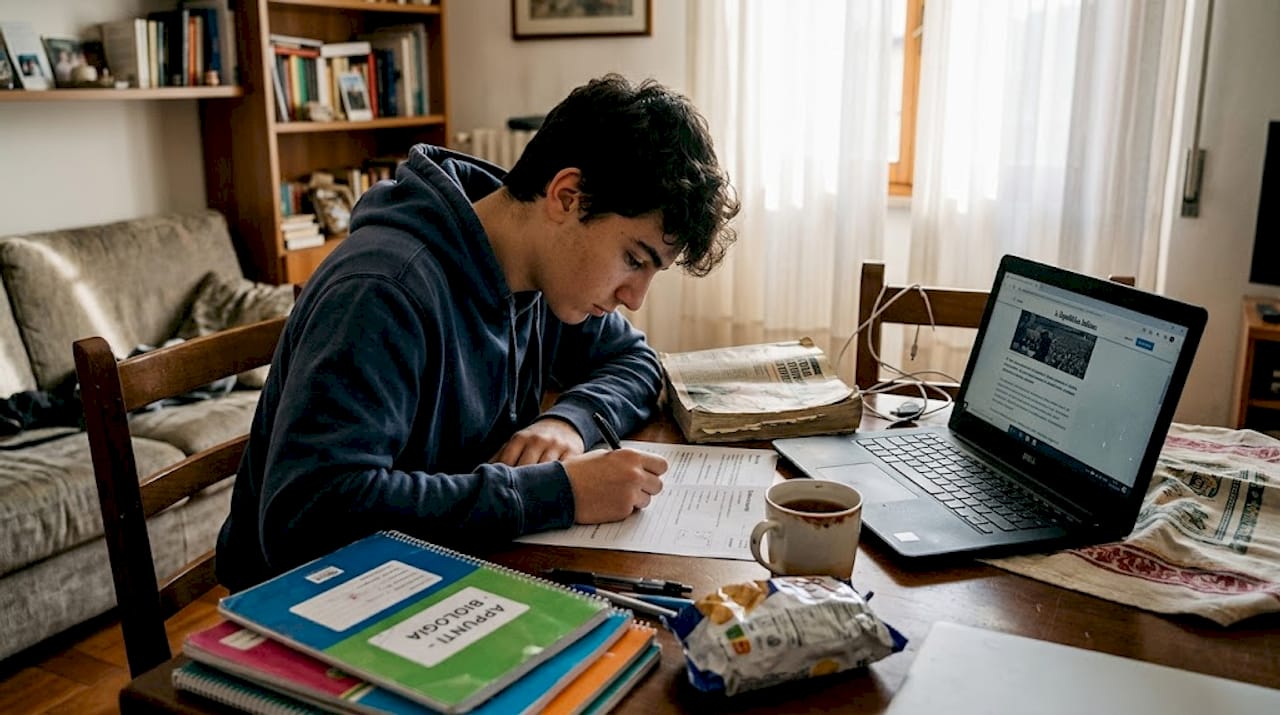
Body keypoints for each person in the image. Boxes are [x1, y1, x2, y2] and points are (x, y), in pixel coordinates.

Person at [217, 74, 739, 591]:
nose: (635, 297)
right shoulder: (382, 290)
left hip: (439, 569)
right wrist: (555, 493)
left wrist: (571, 422)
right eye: (633, 259)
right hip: (312, 606)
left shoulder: (538, 273)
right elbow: (307, 518)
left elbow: (637, 362)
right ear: (566, 196)